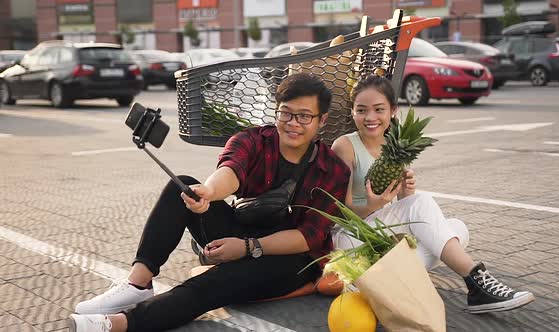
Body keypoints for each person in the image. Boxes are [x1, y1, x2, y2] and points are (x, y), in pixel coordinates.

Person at [69, 73, 351, 332]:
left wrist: (247, 248)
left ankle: (118, 324)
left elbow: (308, 237)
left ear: (321, 120)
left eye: (304, 117)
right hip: (244, 227)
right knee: (182, 185)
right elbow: (231, 169)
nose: (292, 124)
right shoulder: (254, 139)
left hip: (289, 261)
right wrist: (207, 192)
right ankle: (138, 283)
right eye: (286, 114)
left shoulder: (333, 170)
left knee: (217, 281)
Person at [331, 75, 535, 314]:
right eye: (361, 110)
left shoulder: (395, 146)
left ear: (393, 111)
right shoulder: (344, 145)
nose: (370, 118)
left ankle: (381, 280)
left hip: (381, 236)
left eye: (379, 109)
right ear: (352, 112)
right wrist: (375, 204)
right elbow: (339, 209)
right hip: (351, 236)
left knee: (457, 228)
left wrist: (407, 190)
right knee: (432, 216)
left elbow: (405, 208)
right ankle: (476, 280)